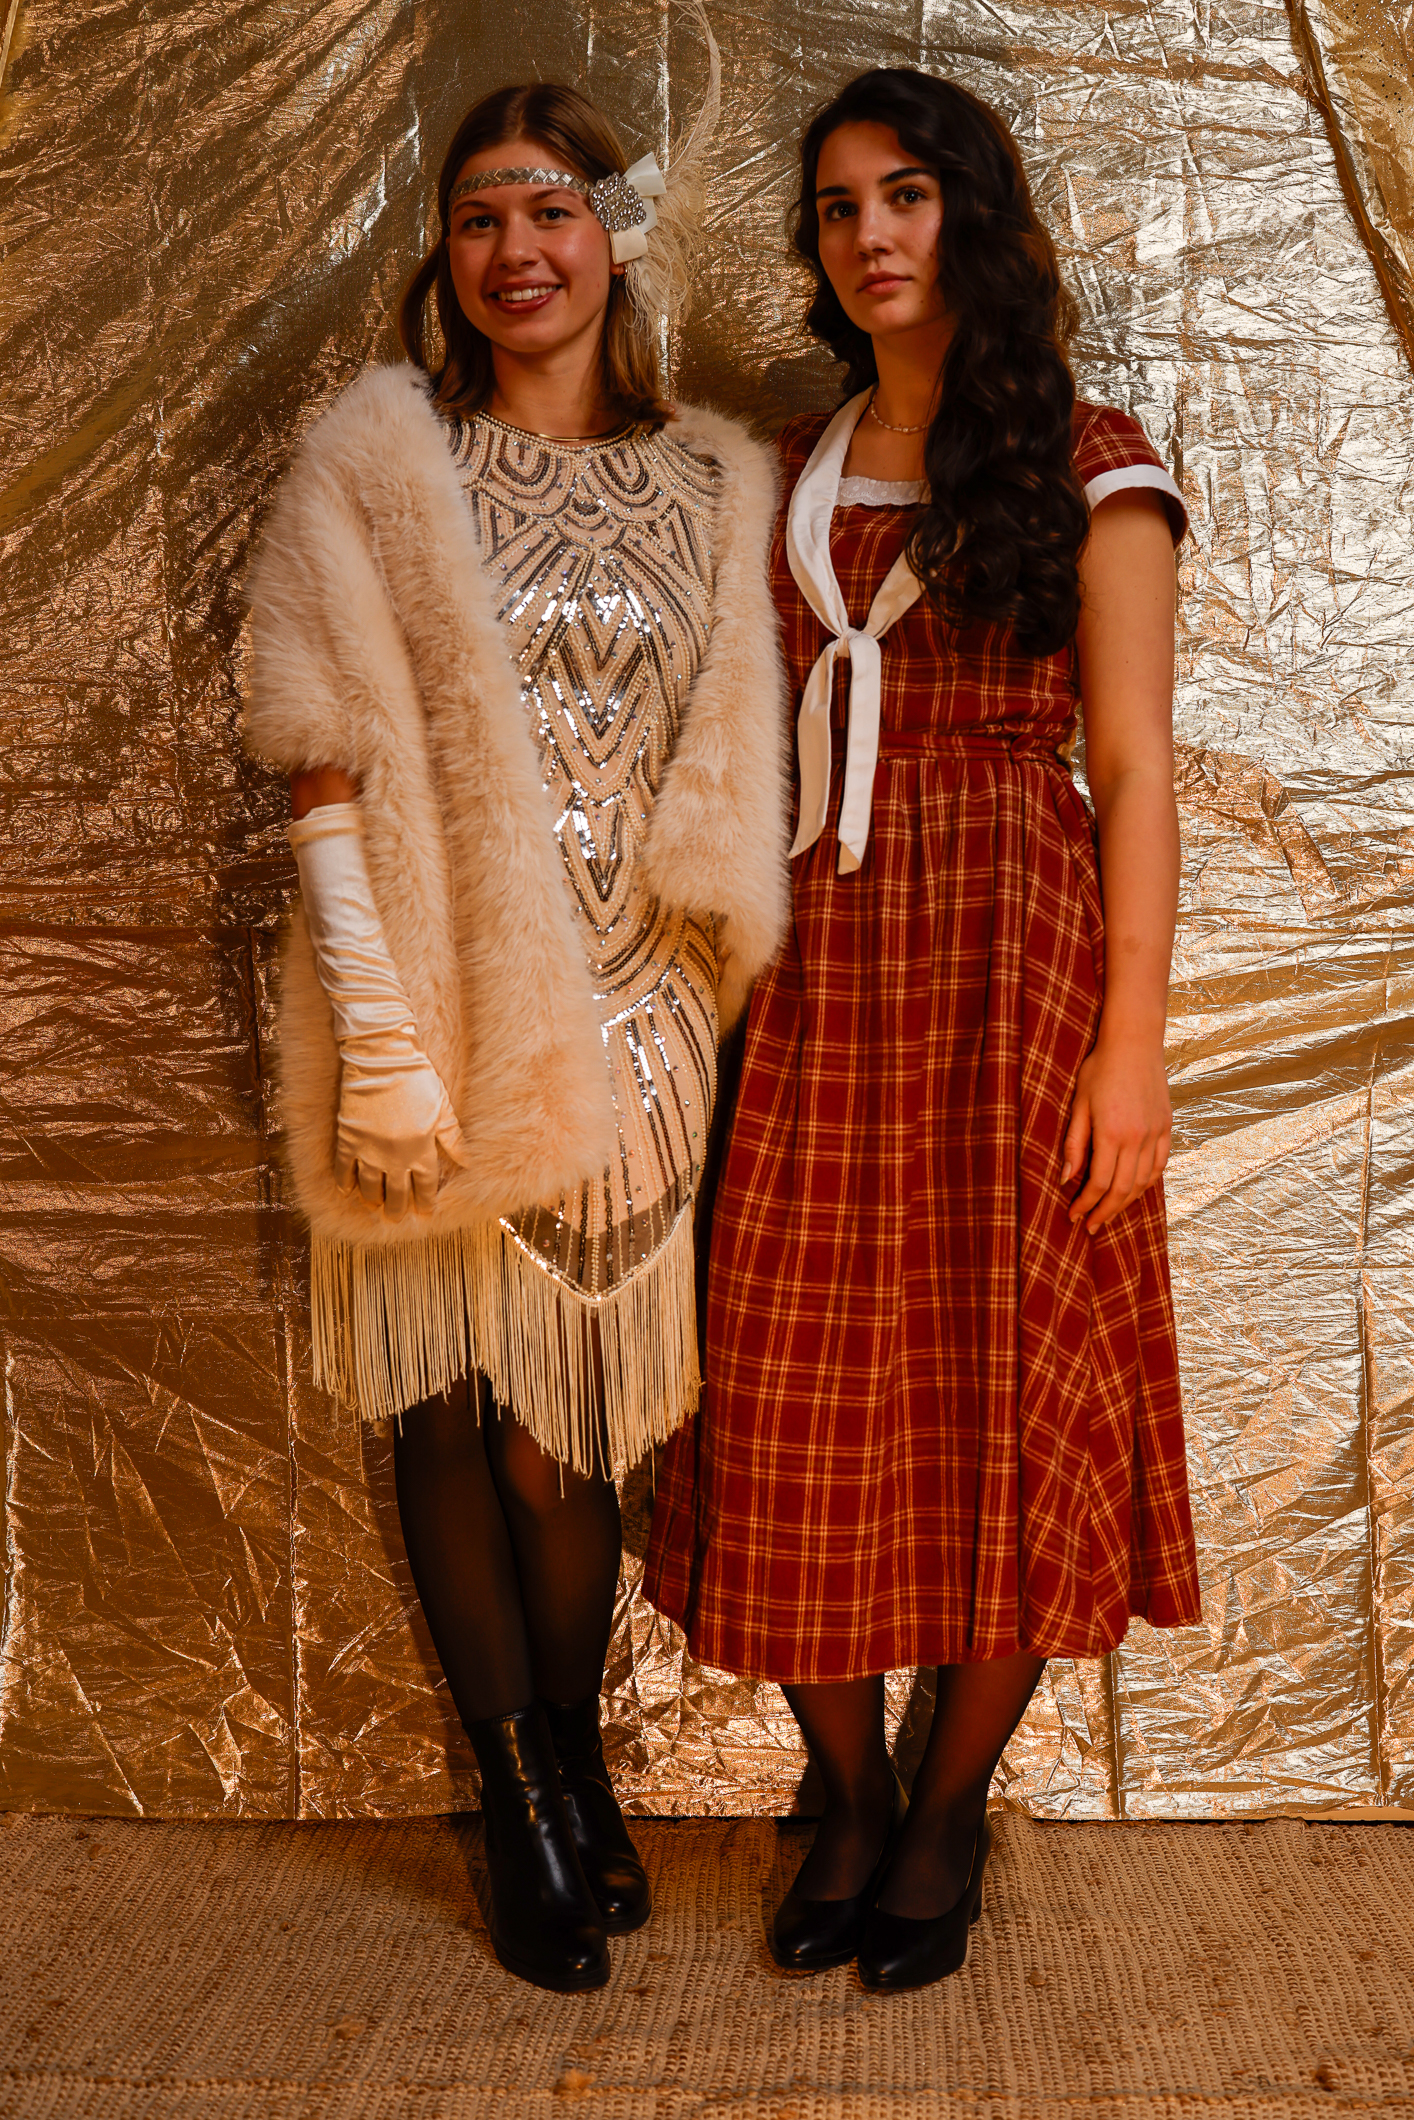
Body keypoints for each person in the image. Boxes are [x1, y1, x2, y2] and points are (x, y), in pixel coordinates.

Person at [644, 65, 1203, 1992]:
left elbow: (1133, 770)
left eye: (904, 194)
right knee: (787, 1381)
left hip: (1012, 956)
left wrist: (1129, 1049)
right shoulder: (790, 469)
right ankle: (853, 1790)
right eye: (835, 206)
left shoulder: (1085, 458)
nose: (869, 233)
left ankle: (946, 1813)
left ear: (972, 214)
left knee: (1004, 1385)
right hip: (816, 965)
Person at [243, 68, 788, 1994]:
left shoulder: (714, 480)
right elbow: (315, 749)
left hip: (644, 1007)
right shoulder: (378, 461)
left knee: (567, 1437)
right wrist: (380, 1034)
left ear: (610, 236)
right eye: (477, 214)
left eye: (550, 207)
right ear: (445, 252)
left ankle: (573, 1751)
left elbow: (742, 753)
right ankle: (522, 1797)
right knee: (444, 1404)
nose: (514, 248)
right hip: (424, 987)